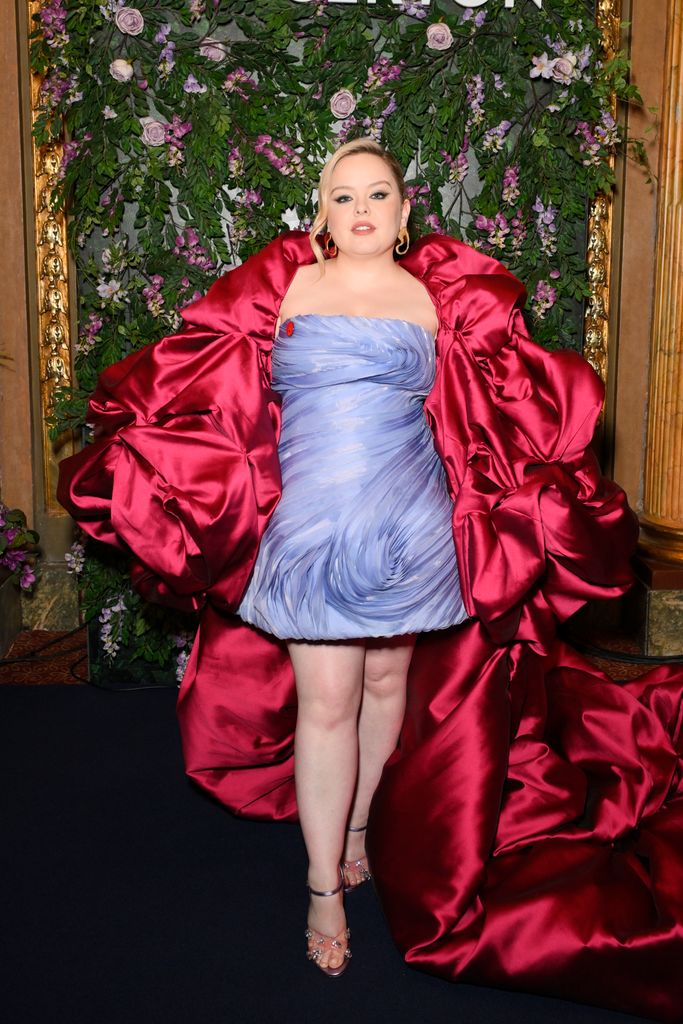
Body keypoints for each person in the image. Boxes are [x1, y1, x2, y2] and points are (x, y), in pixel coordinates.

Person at [59, 140, 683, 1018]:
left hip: (412, 529)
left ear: (401, 209)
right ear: (321, 211)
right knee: (326, 700)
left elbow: (492, 410)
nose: (360, 209)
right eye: (343, 195)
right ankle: (322, 885)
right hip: (314, 531)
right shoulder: (282, 288)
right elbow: (205, 383)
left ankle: (360, 827)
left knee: (388, 679)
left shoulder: (438, 297)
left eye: (377, 194)